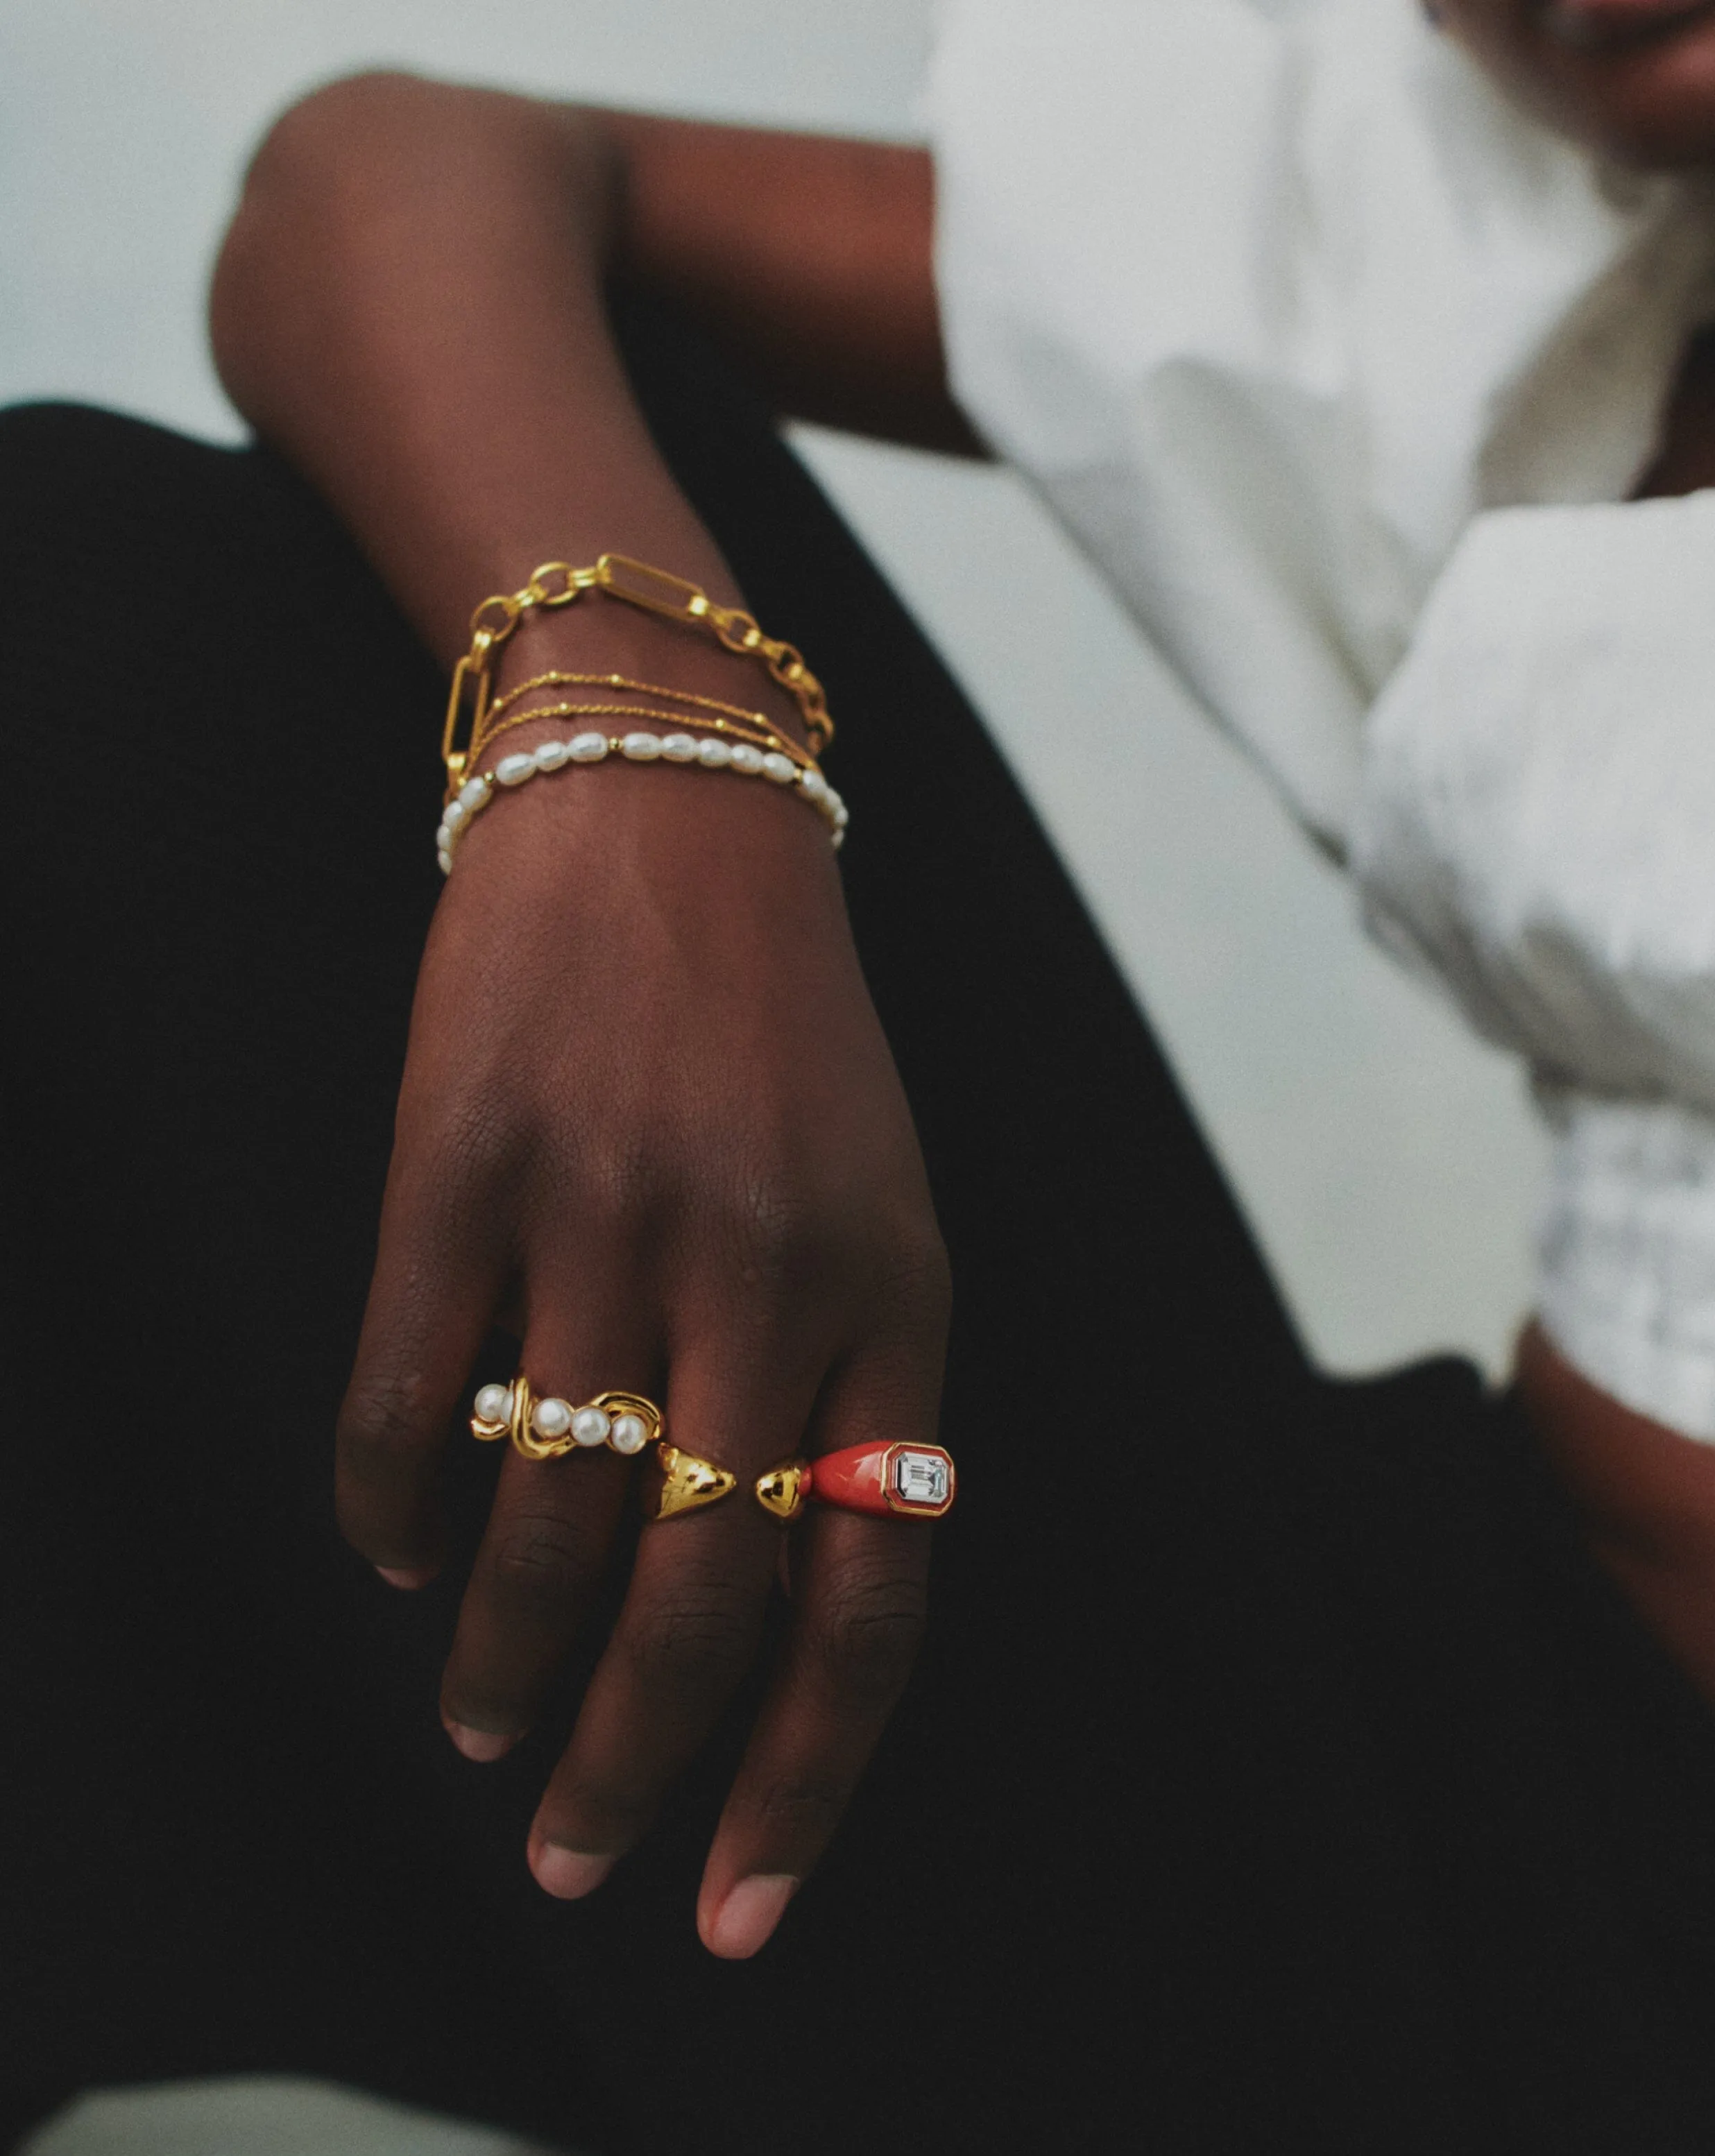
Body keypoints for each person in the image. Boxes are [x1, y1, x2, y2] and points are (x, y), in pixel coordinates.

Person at [7, 0, 1715, 2148]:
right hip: (1447, 1694)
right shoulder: (1497, 236)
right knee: (100, 648)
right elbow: (400, 162)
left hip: (1604, 2029)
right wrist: (651, 757)